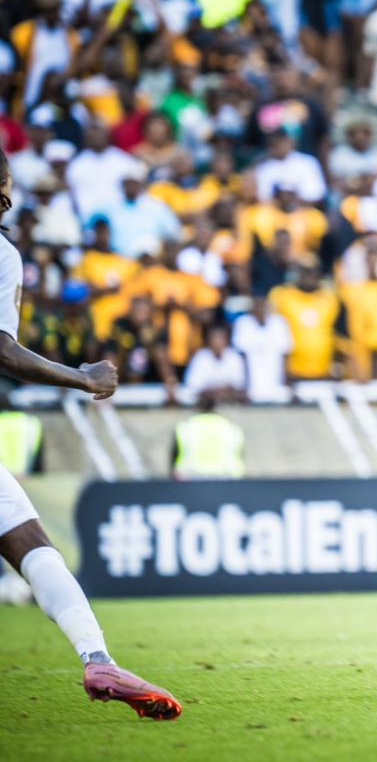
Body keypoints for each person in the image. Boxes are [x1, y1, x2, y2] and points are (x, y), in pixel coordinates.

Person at [0, 148, 181, 717]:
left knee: (29, 540)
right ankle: (96, 658)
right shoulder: (2, 254)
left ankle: (99, 656)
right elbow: (2, 349)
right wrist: (82, 377)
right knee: (31, 546)